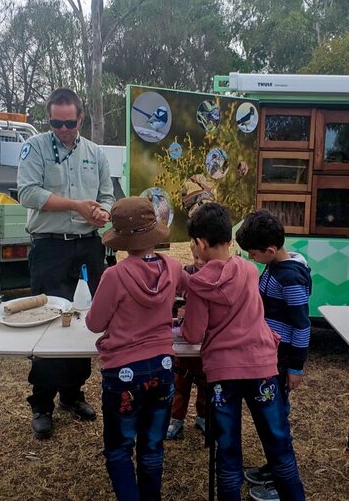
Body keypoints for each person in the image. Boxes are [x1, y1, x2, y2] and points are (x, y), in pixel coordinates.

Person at [181, 203, 305, 501]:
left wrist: (185, 319)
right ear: (230, 237)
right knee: (278, 443)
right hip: (262, 367)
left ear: (199, 243)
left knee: (228, 450)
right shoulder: (250, 270)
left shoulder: (198, 286)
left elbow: (193, 334)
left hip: (224, 373)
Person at [17, 88, 115, 438]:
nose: (61, 129)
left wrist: (102, 212)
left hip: (88, 248)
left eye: (68, 123)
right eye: (55, 123)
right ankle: (42, 402)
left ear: (81, 119)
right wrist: (75, 206)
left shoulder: (96, 154)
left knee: (84, 321)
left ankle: (72, 394)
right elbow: (27, 192)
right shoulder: (36, 148)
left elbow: (108, 197)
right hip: (50, 248)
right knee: (47, 323)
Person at [85, 196, 184, 500]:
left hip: (124, 373)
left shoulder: (115, 276)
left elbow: (94, 322)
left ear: (121, 239)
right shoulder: (174, 267)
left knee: (119, 447)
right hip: (164, 368)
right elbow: (192, 293)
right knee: (152, 444)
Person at [235, 210, 312, 501]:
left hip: (281, 359)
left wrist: (296, 367)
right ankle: (273, 468)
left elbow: (302, 324)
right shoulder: (276, 266)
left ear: (269, 250)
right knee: (273, 418)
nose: (251, 258)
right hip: (269, 352)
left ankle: (282, 484)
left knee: (277, 419)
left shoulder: (290, 277)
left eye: (253, 254)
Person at [165, 254, 208, 441]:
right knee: (180, 383)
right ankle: (176, 419)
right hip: (184, 343)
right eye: (196, 256)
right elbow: (173, 302)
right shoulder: (186, 272)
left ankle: (204, 417)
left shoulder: (216, 277)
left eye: (204, 259)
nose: (199, 262)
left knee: (205, 385)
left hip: (205, 345)